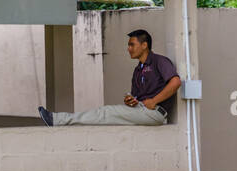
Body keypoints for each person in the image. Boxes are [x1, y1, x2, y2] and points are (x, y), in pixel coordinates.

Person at [38, 29, 180, 127]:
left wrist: (154, 101)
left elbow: (175, 82)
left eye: (132, 44)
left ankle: (57, 120)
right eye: (128, 45)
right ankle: (59, 119)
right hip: (141, 110)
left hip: (155, 113)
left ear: (144, 45)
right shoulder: (138, 70)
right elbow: (137, 98)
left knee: (105, 112)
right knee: (106, 114)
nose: (128, 48)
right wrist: (131, 100)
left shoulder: (159, 61)